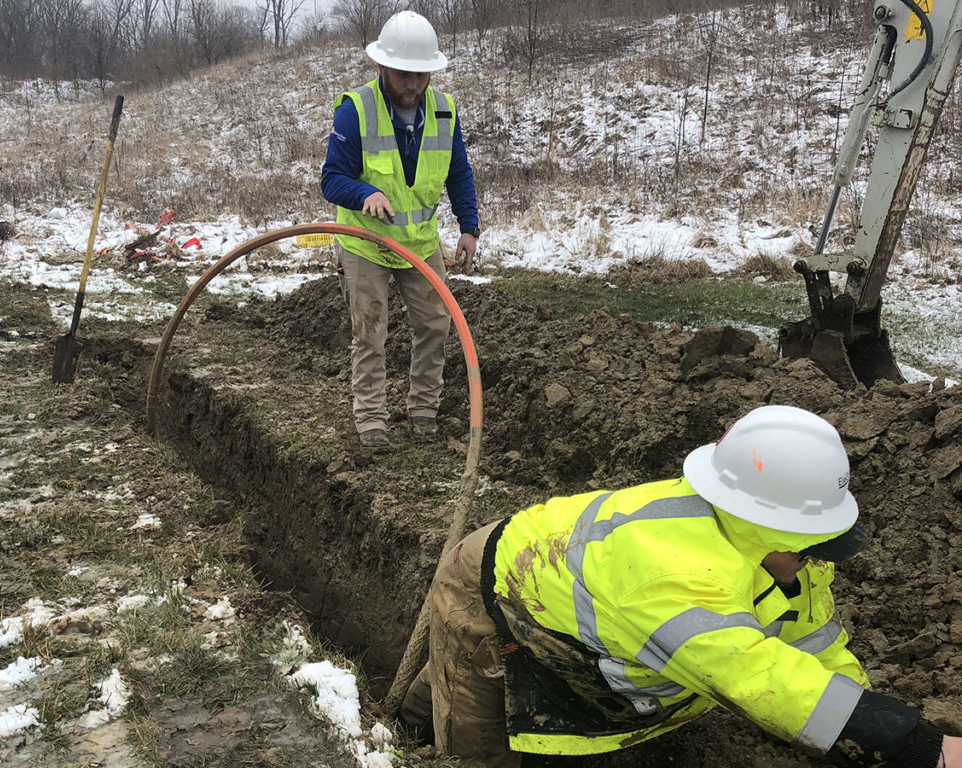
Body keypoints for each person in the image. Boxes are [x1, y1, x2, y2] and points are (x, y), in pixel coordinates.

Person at [400, 405, 962, 767]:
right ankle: (401, 730)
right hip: (498, 589)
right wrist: (918, 746)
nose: (817, 562)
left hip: (573, 582)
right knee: (475, 734)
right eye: (808, 546)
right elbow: (756, 675)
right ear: (771, 531)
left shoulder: (775, 547)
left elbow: (814, 647)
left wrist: (864, 721)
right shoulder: (672, 574)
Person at [321, 10, 479, 453]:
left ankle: (423, 410)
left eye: (421, 75)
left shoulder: (444, 112)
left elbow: (459, 173)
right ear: (382, 68)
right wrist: (363, 192)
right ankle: (371, 419)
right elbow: (331, 179)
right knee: (370, 331)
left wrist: (469, 227)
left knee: (435, 324)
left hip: (420, 243)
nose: (413, 85)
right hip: (365, 243)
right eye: (405, 75)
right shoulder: (356, 111)